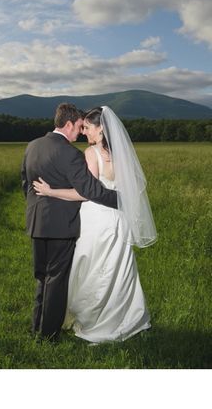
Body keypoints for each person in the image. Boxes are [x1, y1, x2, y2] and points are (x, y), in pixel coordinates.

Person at [32, 106, 154, 342]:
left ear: (101, 129)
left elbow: (86, 193)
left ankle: (93, 320)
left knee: (91, 269)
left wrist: (51, 191)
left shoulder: (91, 153)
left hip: (96, 220)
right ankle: (123, 318)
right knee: (117, 270)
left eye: (87, 127)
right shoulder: (121, 155)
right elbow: (129, 189)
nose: (84, 132)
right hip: (118, 220)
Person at [20, 103, 118, 341]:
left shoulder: (32, 146)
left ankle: (36, 326)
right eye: (79, 126)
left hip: (37, 222)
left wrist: (38, 208)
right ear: (69, 124)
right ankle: (49, 335)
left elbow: (25, 184)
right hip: (61, 225)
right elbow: (90, 189)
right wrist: (121, 200)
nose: (81, 132)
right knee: (56, 280)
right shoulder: (70, 153)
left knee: (42, 277)